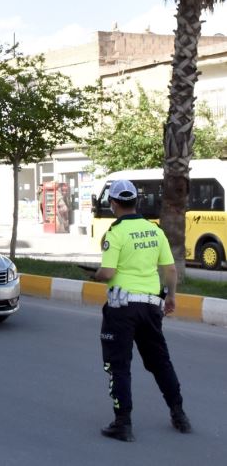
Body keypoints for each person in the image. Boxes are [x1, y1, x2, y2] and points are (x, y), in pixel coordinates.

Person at [93, 179, 191, 442]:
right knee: (160, 362)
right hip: (150, 307)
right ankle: (179, 413)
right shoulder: (155, 231)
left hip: (121, 309)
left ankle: (122, 423)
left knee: (119, 365)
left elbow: (108, 272)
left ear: (113, 203)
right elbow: (170, 270)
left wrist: (97, 275)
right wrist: (171, 297)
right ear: (136, 201)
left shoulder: (115, 233)